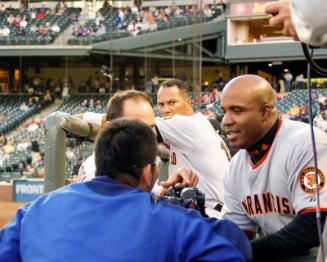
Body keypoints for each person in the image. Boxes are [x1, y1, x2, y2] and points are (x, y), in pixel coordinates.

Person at [0, 119, 252, 261]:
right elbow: (237, 248)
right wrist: (193, 213)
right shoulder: (171, 221)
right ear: (147, 173)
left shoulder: (32, 212)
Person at [220, 74, 327, 261]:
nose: (225, 121)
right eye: (224, 111)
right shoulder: (235, 167)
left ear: (265, 112)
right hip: (278, 251)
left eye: (237, 111)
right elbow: (238, 234)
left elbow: (314, 227)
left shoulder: (306, 143)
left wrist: (246, 253)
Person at [77, 90, 198, 190]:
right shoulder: (96, 171)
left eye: (151, 126)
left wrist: (175, 187)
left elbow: (154, 195)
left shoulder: (138, 161)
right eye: (138, 127)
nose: (148, 134)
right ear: (110, 129)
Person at [155, 79, 230, 214]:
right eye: (161, 104)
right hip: (215, 210)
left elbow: (134, 130)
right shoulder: (199, 122)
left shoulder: (186, 124)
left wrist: (104, 119)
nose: (165, 109)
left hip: (210, 213)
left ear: (188, 103)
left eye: (172, 102)